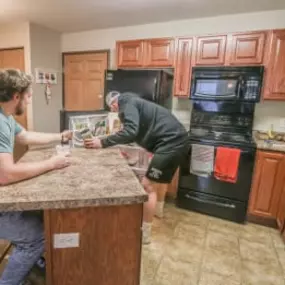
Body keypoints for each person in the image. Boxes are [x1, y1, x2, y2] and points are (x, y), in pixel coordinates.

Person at [84, 91, 188, 244]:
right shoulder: (134, 101)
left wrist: (103, 142)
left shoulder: (126, 102)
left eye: (114, 110)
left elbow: (131, 131)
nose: (116, 113)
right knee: (155, 181)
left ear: (114, 104)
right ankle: (156, 212)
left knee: (147, 186)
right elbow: (138, 129)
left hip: (170, 143)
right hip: (173, 140)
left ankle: (145, 234)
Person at [0, 69, 72, 285]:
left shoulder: (6, 117)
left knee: (41, 215)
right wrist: (52, 164)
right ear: (16, 96)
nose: (30, 101)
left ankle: (29, 262)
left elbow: (25, 137)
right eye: (29, 96)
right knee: (35, 238)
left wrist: (59, 136)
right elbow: (5, 174)